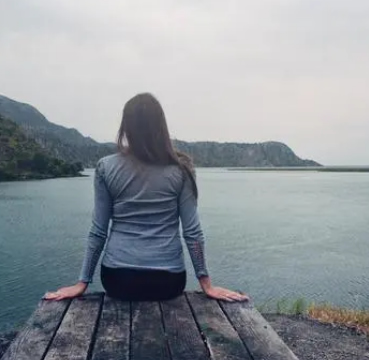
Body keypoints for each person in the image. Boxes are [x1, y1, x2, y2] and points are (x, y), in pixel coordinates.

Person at [44, 93, 249, 302]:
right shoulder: (181, 170)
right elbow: (192, 232)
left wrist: (82, 282)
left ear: (126, 127)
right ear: (161, 126)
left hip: (117, 280)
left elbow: (98, 231)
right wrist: (206, 283)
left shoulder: (105, 167)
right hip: (169, 282)